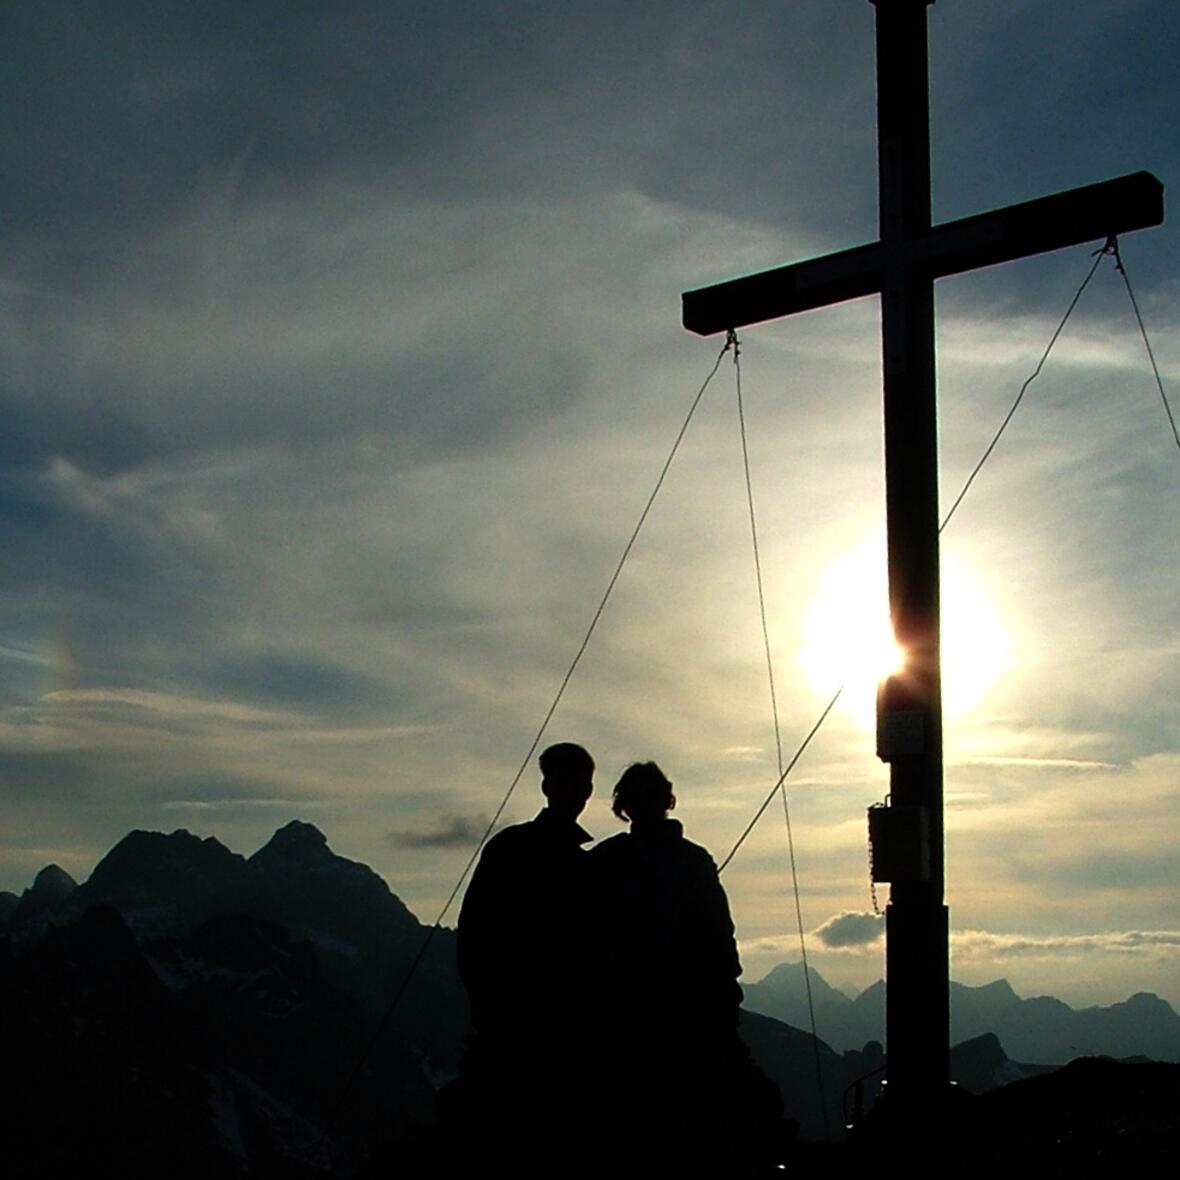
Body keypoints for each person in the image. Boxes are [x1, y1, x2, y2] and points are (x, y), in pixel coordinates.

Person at [590, 762, 780, 1175]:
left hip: (631, 1015)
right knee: (691, 1118)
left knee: (636, 1123)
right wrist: (726, 999)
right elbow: (720, 935)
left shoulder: (606, 861)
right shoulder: (690, 861)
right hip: (682, 1012)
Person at [450, 741, 596, 1175]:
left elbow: (471, 937)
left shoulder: (512, 849)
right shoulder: (582, 865)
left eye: (581, 784)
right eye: (573, 782)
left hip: (520, 1031)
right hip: (538, 1035)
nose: (578, 792)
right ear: (551, 786)